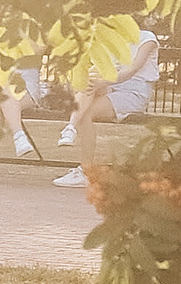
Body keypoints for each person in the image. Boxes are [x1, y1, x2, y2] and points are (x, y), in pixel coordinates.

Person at [58, 17, 161, 188]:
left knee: (85, 114)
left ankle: (84, 166)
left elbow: (132, 70)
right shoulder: (112, 41)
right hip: (112, 87)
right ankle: (70, 131)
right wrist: (96, 82)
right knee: (88, 84)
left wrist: (104, 83)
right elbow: (101, 68)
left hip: (133, 93)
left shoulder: (147, 38)